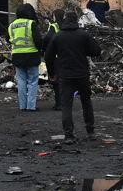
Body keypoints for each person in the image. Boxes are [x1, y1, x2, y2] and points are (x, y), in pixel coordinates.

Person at [43, 11, 101, 142]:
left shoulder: (58, 36)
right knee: (86, 101)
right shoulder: (83, 35)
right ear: (76, 20)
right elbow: (96, 51)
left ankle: (69, 134)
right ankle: (90, 131)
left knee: (66, 105)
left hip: (65, 74)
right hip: (82, 74)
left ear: (65, 20)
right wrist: (84, 50)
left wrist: (52, 73)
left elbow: (48, 56)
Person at [8, 3, 42, 111]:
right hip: (32, 56)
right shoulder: (31, 24)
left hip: (17, 56)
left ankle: (22, 106)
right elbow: (38, 40)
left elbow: (8, 38)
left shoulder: (12, 25)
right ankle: (31, 106)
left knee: (21, 81)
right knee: (32, 82)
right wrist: (40, 50)